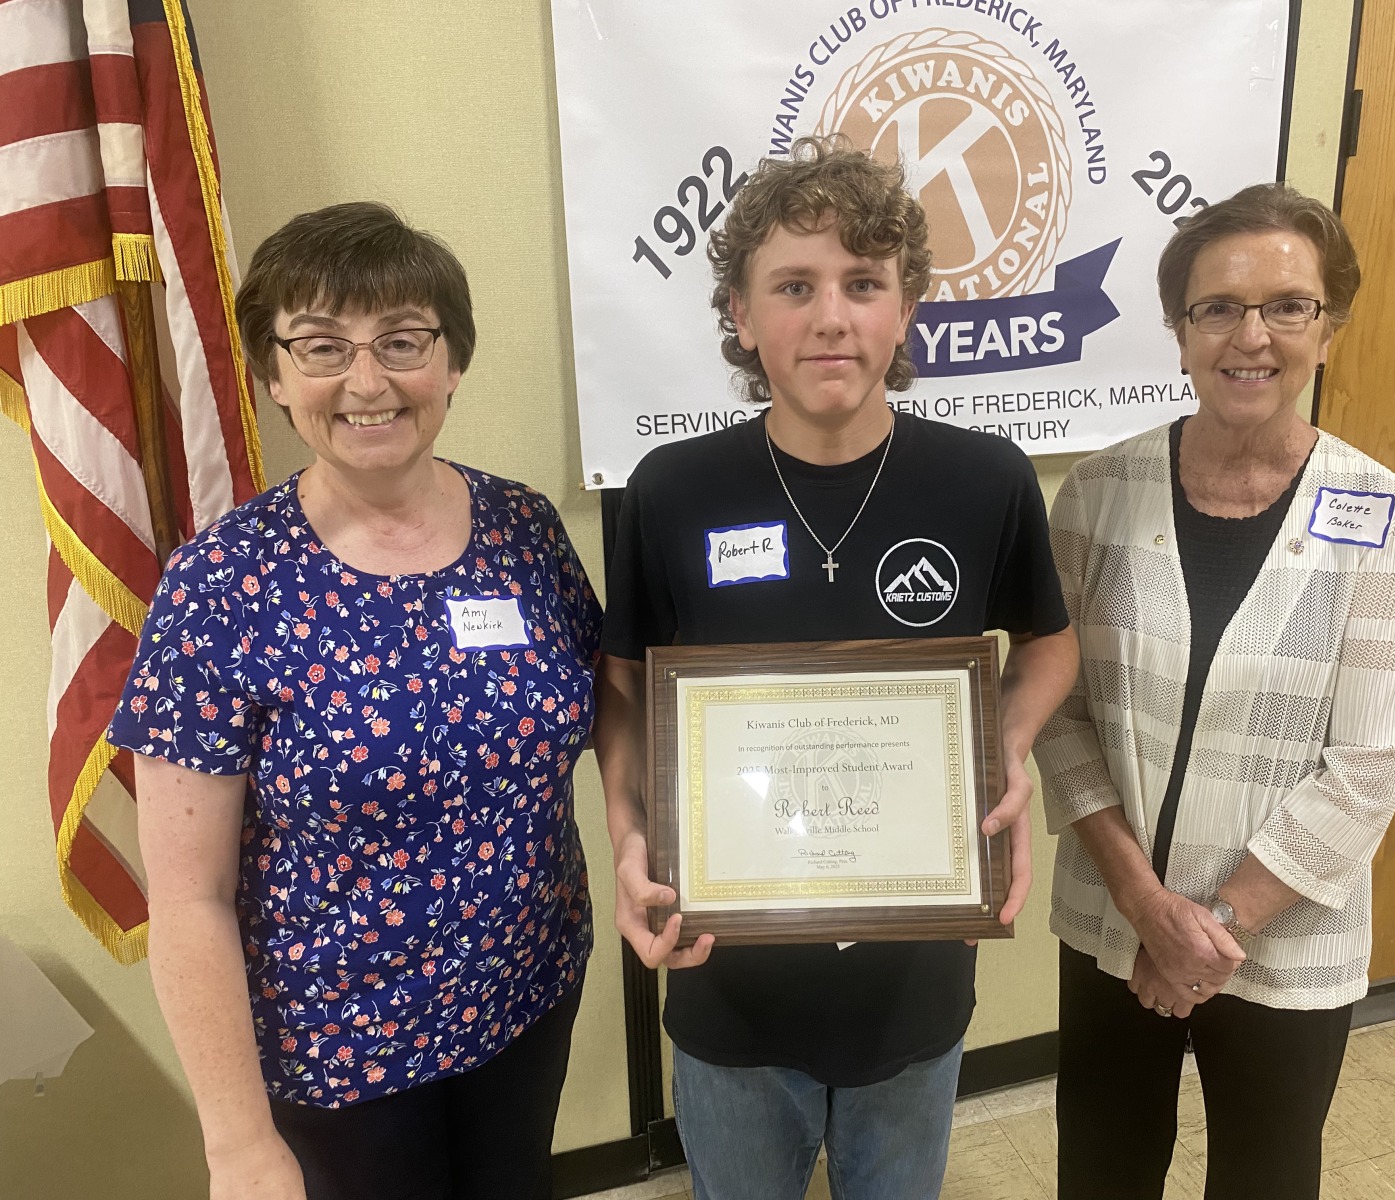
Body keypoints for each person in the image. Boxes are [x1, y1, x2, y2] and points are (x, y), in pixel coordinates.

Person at [595, 135, 1077, 1199]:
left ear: (906, 311)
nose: (831, 317)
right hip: (727, 974)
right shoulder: (672, 489)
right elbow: (621, 688)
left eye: (864, 283)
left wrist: (1001, 751)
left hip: (914, 974)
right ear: (739, 312)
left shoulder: (983, 479)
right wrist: (627, 835)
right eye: (793, 286)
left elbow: (1049, 642)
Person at [107, 202, 601, 1200]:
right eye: (323, 346)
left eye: (402, 341)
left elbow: (607, 707)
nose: (367, 382)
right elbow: (190, 899)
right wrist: (237, 1143)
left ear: (451, 363)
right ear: (275, 374)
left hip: (529, 992)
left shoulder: (524, 527)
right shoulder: (221, 587)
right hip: (339, 1056)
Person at [1035, 182, 1395, 1198]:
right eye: (1217, 308)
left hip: (1285, 936)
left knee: (1265, 1177)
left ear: (1328, 330)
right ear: (1178, 333)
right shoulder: (1097, 495)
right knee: (1102, 1170)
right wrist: (1145, 906)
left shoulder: (1383, 513)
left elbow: (1369, 765)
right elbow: (1056, 709)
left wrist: (1209, 929)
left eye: (1288, 306)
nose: (1251, 336)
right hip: (1113, 921)